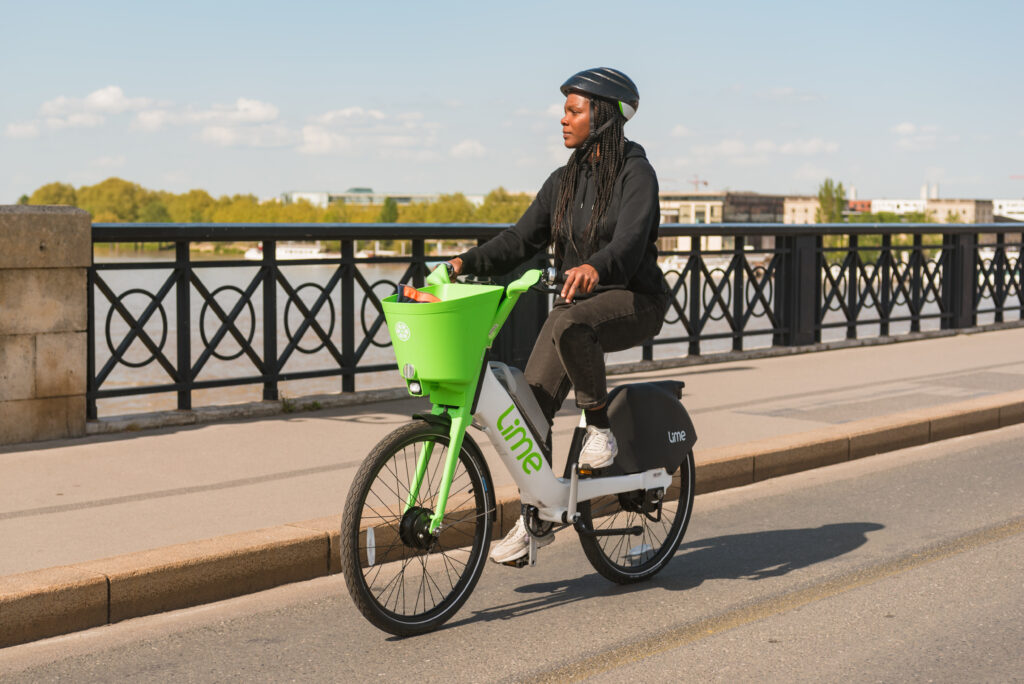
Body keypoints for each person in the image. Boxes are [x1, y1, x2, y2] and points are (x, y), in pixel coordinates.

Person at [446, 67, 670, 564]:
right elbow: (518, 240)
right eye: (564, 110)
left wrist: (594, 266)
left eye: (574, 110)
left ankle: (600, 431)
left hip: (635, 299)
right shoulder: (564, 181)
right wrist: (463, 262)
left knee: (570, 323)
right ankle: (539, 517)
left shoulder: (637, 173)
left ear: (604, 116)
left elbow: (630, 244)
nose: (562, 119)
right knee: (529, 412)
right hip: (577, 307)